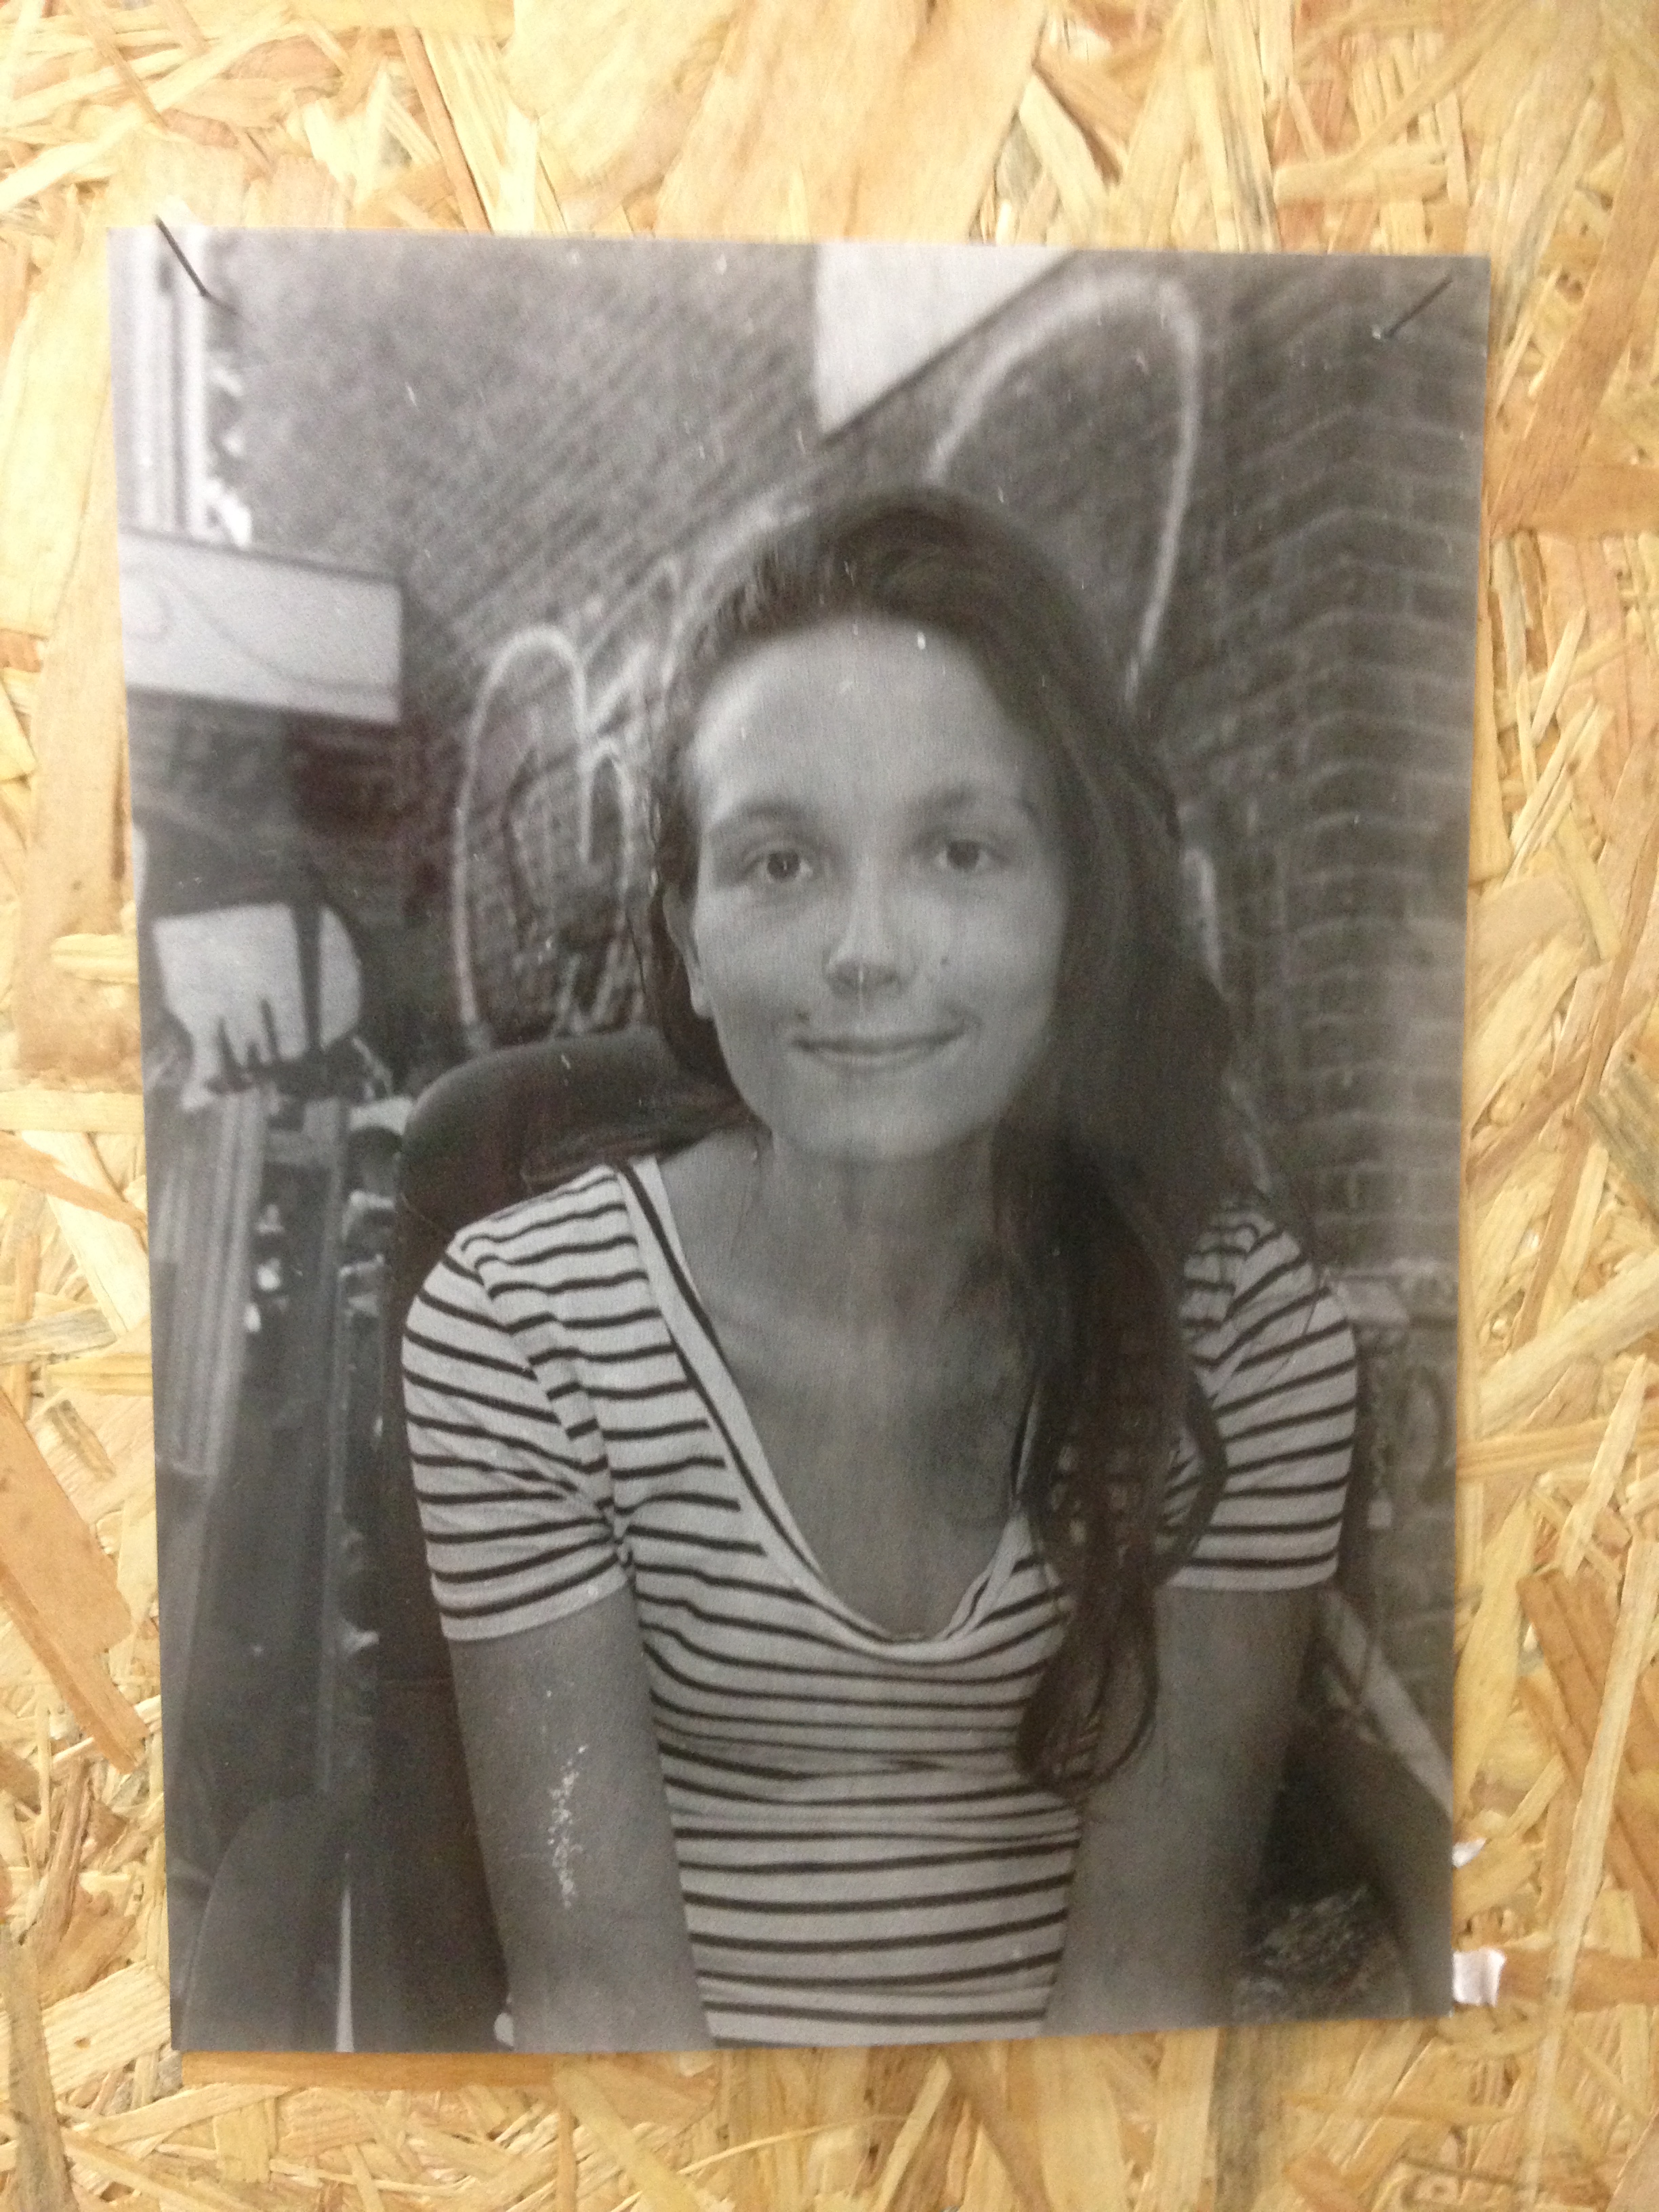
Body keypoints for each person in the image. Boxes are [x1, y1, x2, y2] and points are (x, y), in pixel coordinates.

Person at [401, 490, 1361, 2051]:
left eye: (960, 851)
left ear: (1077, 910)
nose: (866, 948)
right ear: (689, 936)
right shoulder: (525, 1328)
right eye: (781, 861)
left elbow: (1143, 1991)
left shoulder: (1244, 1343)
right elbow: (606, 2013)